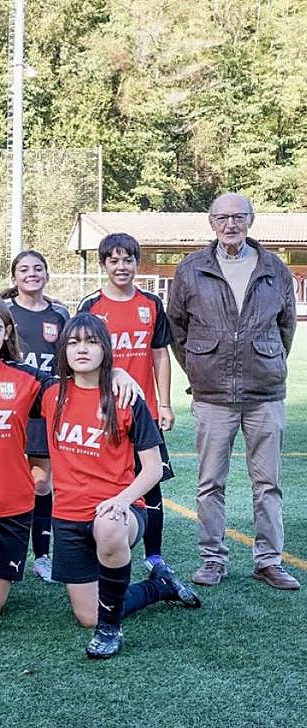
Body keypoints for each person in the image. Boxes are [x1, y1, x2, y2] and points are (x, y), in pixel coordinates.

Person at [0, 295, 141, 635]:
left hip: (13, 505)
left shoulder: (28, 380)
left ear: (6, 333)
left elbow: (79, 384)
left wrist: (117, 371)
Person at [41, 314, 200, 659]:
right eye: (74, 342)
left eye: (92, 342)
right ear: (63, 350)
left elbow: (154, 468)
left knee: (110, 526)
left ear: (106, 349)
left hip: (121, 511)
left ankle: (110, 630)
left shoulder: (125, 398)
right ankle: (160, 586)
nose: (82, 349)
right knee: (88, 614)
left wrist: (122, 500)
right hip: (68, 515)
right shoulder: (50, 394)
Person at [166, 193, 299, 590]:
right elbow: (177, 329)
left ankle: (269, 561)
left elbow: (286, 327)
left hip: (265, 393)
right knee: (210, 483)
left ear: (251, 220)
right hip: (211, 394)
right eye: (222, 217)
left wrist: (267, 361)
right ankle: (212, 558)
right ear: (211, 223)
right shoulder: (190, 269)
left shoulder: (275, 267)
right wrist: (201, 368)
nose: (230, 225)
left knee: (268, 483)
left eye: (238, 217)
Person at [79, 233, 176, 577]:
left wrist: (163, 403)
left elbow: (159, 354)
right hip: (104, 412)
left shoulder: (151, 303)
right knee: (103, 478)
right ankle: (101, 542)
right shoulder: (91, 306)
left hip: (143, 410)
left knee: (153, 481)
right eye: (114, 261)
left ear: (137, 263)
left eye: (128, 260)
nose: (122, 267)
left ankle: (155, 556)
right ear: (104, 265)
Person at [2, 250, 68, 582]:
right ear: (14, 277)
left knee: (42, 484)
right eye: (24, 269)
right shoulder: (6, 313)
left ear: (46, 274)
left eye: (38, 268)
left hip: (44, 409)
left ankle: (42, 556)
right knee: (8, 483)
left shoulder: (59, 314)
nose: (31, 274)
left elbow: (68, 359)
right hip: (10, 407)